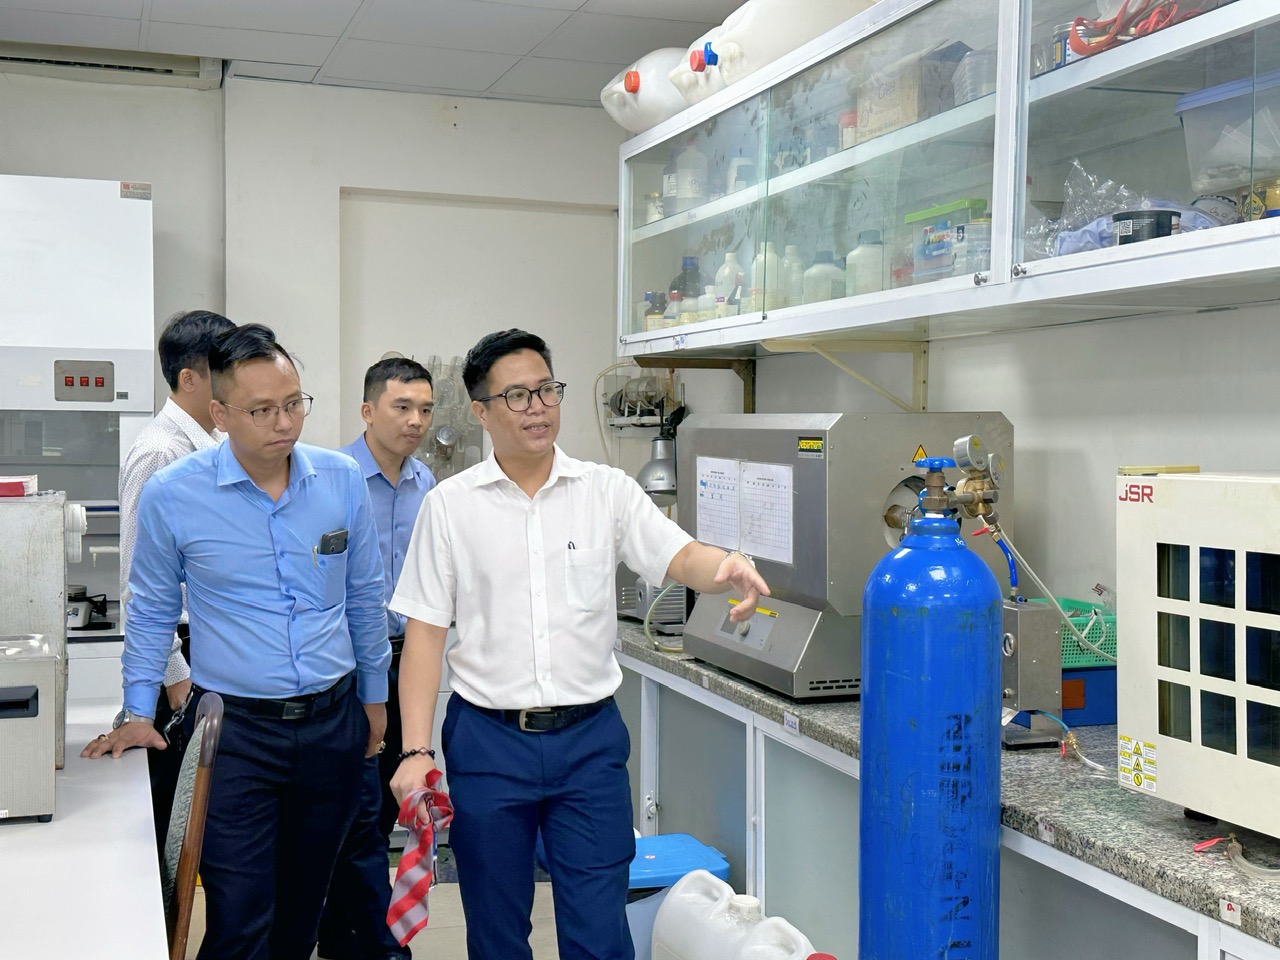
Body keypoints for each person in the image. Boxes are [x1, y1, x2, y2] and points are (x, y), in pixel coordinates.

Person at [389, 329, 770, 960]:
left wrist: (725, 564)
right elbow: (426, 635)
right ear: (481, 411)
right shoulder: (450, 506)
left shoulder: (605, 490)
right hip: (488, 743)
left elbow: (678, 555)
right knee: (496, 929)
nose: (537, 407)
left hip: (588, 745)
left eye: (546, 390)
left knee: (599, 931)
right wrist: (415, 751)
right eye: (517, 395)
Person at [83, 324, 391, 960]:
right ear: (220, 414)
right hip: (236, 734)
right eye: (261, 410)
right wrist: (140, 711)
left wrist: (374, 697)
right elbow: (151, 609)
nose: (284, 423)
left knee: (304, 911)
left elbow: (365, 596)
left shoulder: (339, 480)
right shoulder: (175, 493)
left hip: (332, 724)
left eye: (294, 404)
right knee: (240, 914)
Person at [320, 357, 436, 960]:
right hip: (347, 668)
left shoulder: (428, 484)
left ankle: (344, 934)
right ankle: (376, 945)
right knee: (358, 810)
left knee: (389, 804)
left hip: (408, 662)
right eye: (402, 407)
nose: (416, 421)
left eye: (425, 409)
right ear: (368, 411)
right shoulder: (331, 478)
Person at [110, 308, 237, 858]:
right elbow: (138, 588)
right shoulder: (162, 451)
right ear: (190, 378)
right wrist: (177, 679)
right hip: (177, 668)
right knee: (171, 826)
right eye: (224, 372)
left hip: (204, 659)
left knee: (202, 825)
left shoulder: (212, 444)